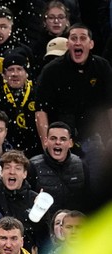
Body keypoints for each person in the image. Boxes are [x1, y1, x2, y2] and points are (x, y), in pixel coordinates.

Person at [35, 23, 112, 175]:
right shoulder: (51, 71)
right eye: (73, 38)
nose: (78, 42)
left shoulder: (102, 67)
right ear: (68, 43)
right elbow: (40, 111)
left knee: (97, 187)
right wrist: (46, 143)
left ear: (91, 44)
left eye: (83, 38)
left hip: (93, 138)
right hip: (61, 141)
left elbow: (110, 106)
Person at [28, 121, 89, 213]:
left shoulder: (81, 165)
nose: (58, 142)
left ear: (70, 143)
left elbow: (89, 200)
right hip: (44, 225)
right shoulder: (32, 166)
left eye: (63, 139)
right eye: (53, 138)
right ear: (45, 141)